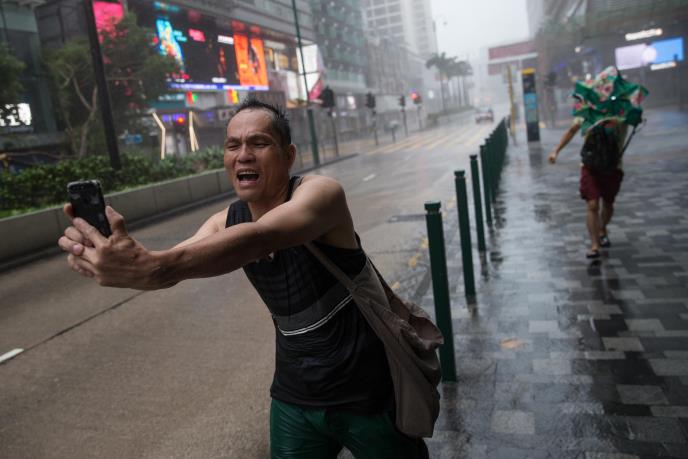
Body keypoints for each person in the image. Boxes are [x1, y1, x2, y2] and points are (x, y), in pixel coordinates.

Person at [58, 99, 428, 459]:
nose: (243, 155)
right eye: (233, 145)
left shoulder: (320, 193)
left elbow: (261, 237)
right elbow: (171, 267)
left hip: (369, 391)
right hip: (295, 396)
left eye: (259, 143)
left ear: (288, 155)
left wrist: (153, 266)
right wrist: (117, 260)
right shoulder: (224, 221)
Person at [548, 116, 627, 259]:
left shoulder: (621, 111)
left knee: (608, 203)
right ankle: (594, 245)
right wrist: (556, 151)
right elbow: (572, 130)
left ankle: (602, 228)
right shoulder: (587, 111)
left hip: (613, 166)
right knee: (592, 204)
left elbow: (634, 118)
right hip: (590, 165)